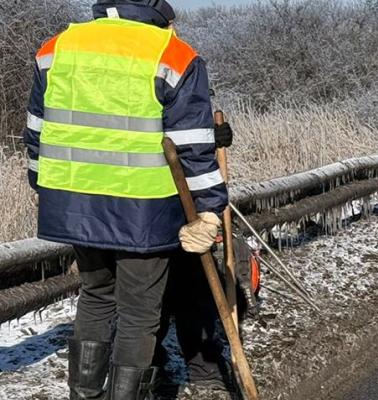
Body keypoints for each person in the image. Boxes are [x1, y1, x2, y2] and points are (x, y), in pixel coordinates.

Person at [23, 1, 226, 398]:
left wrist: (43, 184)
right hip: (143, 209)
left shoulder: (57, 47)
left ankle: (85, 395)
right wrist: (208, 211)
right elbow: (193, 148)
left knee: (96, 296)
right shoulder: (173, 54)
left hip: (74, 201)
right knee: (138, 314)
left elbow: (36, 130)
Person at [154, 123, 237, 397]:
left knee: (195, 283)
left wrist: (210, 137)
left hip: (187, 203)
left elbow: (185, 128)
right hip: (147, 203)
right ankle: (152, 366)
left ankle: (204, 367)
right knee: (152, 294)